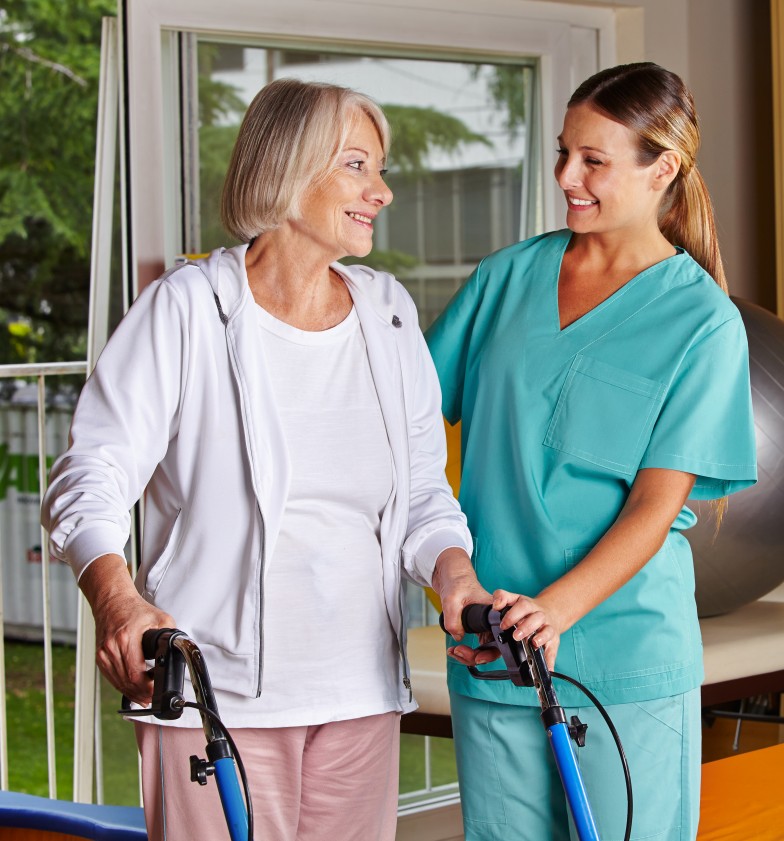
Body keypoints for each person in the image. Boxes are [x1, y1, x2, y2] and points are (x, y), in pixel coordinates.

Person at [41, 78, 487, 841]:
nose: (380, 191)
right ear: (287, 170)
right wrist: (117, 599)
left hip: (360, 691)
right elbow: (93, 472)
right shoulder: (186, 309)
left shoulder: (387, 314)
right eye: (357, 165)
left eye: (381, 170)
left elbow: (421, 493)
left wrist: (457, 576)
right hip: (215, 696)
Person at [427, 62, 758, 841]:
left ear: (663, 169)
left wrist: (555, 611)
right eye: (562, 153)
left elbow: (656, 505)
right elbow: (402, 422)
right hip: (494, 645)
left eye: (594, 161)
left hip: (623, 655)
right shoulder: (505, 280)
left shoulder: (701, 322)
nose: (567, 177)